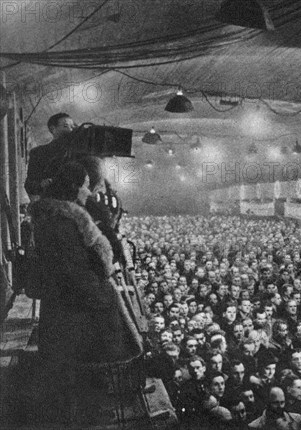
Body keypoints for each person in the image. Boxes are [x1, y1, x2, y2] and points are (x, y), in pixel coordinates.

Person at [27, 161, 142, 424]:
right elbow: (74, 270)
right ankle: (88, 415)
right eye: (87, 186)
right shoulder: (61, 222)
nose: (89, 192)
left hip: (67, 306)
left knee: (75, 371)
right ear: (76, 186)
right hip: (76, 310)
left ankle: (85, 411)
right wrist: (103, 297)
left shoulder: (60, 216)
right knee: (81, 370)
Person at [25, 113, 76, 199]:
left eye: (73, 126)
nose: (71, 130)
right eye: (66, 126)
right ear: (53, 129)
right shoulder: (38, 153)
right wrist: (41, 185)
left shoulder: (78, 153)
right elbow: (29, 185)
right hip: (53, 204)